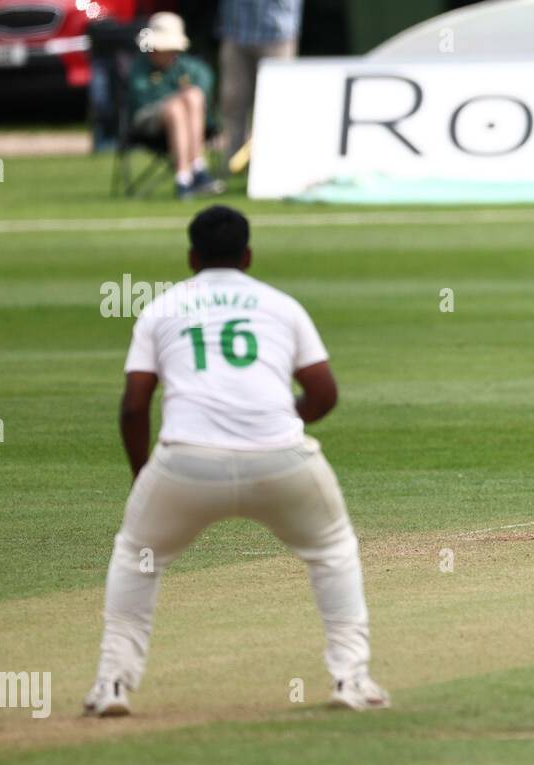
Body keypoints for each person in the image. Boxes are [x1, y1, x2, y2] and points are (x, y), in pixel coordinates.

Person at [84, 205, 388, 717]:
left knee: (138, 555)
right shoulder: (282, 305)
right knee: (332, 550)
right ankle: (351, 679)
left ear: (191, 256)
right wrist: (277, 418)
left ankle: (112, 685)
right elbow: (324, 393)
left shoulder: (161, 308)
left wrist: (146, 479)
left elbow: (135, 405)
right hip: (281, 460)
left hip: (186, 462)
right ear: (247, 255)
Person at [128, 12, 224, 199]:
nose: (155, 51)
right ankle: (191, 173)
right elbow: (142, 99)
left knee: (192, 96)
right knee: (175, 108)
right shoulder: (140, 67)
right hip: (150, 123)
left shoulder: (194, 68)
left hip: (192, 122)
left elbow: (203, 97)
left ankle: (190, 172)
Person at [217, 0, 303, 168]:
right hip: (235, 30)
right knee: (233, 101)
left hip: (277, 31)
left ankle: (274, 161)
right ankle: (232, 163)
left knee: (277, 104)